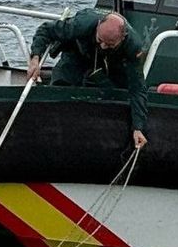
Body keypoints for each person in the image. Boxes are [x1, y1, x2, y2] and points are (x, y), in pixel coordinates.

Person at [28, 9, 148, 149]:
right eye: (100, 40)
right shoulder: (82, 24)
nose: (102, 46)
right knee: (62, 83)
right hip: (79, 53)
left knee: (119, 92)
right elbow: (46, 29)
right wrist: (35, 58)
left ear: (123, 37)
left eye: (109, 44)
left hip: (113, 63)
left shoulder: (134, 47)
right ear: (97, 27)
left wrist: (138, 127)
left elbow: (138, 87)